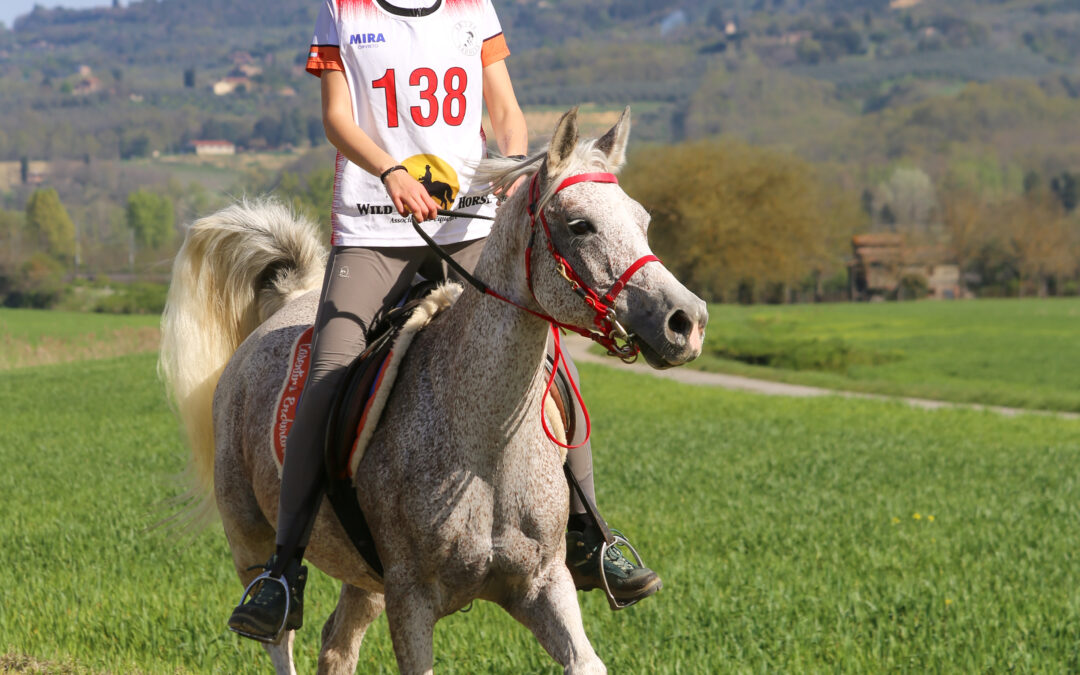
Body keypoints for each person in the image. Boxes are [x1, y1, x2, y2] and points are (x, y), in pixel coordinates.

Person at [227, 0, 660, 642]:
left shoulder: (471, 6)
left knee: (548, 360)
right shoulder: (341, 9)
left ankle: (591, 535)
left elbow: (506, 114)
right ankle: (284, 571)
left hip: (467, 231)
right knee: (328, 373)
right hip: (376, 231)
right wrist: (392, 171)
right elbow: (337, 118)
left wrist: (516, 172)